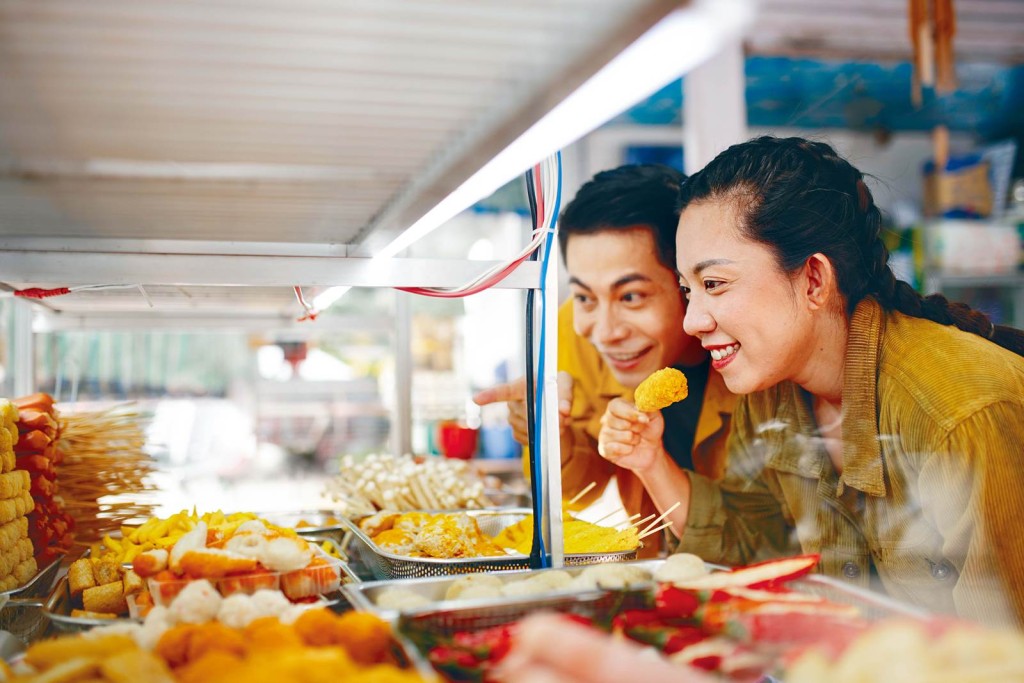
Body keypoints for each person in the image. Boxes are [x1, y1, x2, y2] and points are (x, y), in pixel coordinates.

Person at [598, 136, 1024, 626]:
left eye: (714, 284)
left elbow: (1001, 649)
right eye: (688, 290)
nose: (692, 321)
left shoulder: (963, 412)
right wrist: (650, 462)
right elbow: (749, 550)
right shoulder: (768, 393)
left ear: (814, 280)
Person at [473, 164, 736, 556]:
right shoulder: (573, 331)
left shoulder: (747, 345)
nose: (606, 332)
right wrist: (552, 435)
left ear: (686, 283)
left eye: (631, 296)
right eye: (584, 296)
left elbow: (763, 529)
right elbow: (582, 488)